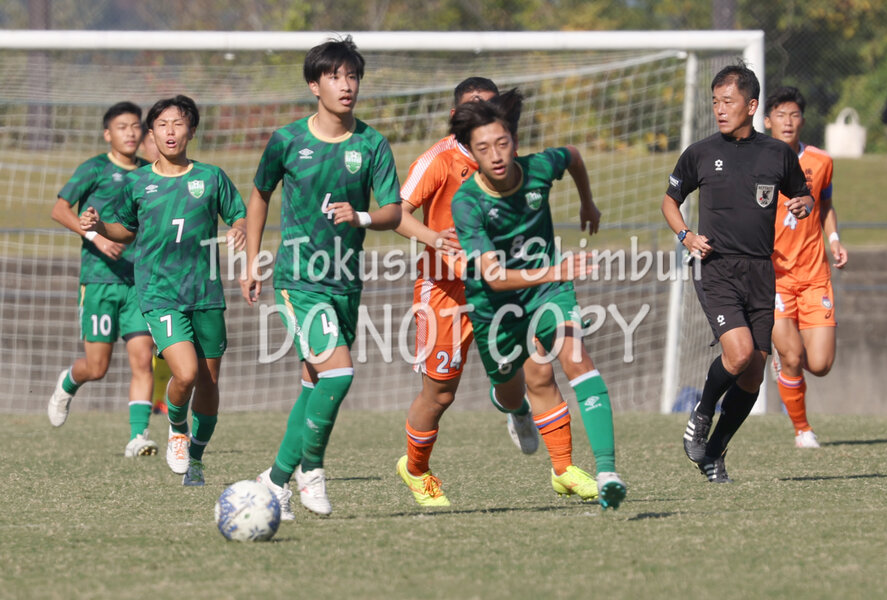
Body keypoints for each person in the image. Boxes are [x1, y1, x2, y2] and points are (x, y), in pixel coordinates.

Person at [242, 36, 402, 519]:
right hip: (299, 281)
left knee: (315, 384)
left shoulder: (371, 144)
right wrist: (252, 260)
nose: (346, 85)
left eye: (352, 76)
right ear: (315, 85)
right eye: (334, 77)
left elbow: (394, 210)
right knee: (338, 372)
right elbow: (260, 194)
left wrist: (362, 217)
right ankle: (302, 473)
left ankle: (273, 482)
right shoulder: (288, 140)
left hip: (346, 283)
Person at [448, 89, 627, 509]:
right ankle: (513, 408)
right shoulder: (467, 202)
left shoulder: (539, 169)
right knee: (514, 392)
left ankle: (606, 472)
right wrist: (556, 270)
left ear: (514, 139)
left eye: (502, 143)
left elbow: (573, 156)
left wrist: (588, 202)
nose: (495, 155)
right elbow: (493, 278)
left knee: (576, 359)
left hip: (548, 292)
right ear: (471, 153)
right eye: (483, 148)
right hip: (495, 307)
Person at [80, 95, 247, 487]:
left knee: (208, 383)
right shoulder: (138, 182)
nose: (170, 131)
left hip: (205, 294)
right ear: (151, 134)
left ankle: (197, 459)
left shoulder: (211, 177)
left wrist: (239, 228)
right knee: (185, 373)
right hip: (159, 294)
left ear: (192, 130)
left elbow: (238, 214)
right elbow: (125, 229)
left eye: (178, 123)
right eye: (162, 124)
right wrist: (100, 227)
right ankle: (176, 429)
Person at [392, 77, 542, 508]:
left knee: (519, 378)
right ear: (456, 116)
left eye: (490, 107)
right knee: (440, 394)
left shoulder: (508, 159)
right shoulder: (439, 160)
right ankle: (416, 470)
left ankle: (515, 409)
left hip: (497, 286)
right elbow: (397, 213)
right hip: (443, 292)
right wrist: (434, 239)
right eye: (473, 108)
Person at [662, 63, 814, 483]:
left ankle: (714, 453)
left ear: (751, 105)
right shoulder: (700, 153)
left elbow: (803, 195)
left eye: (727, 101)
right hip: (717, 268)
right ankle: (702, 412)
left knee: (752, 376)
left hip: (761, 272)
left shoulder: (777, 154)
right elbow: (670, 201)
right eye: (715, 102)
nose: (719, 109)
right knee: (740, 352)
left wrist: (803, 205)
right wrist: (686, 236)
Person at [47, 101, 158, 458]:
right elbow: (60, 209)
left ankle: (138, 437)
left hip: (137, 282)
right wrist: (96, 237)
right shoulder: (94, 168)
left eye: (135, 126)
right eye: (122, 127)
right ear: (108, 134)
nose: (130, 133)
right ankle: (68, 382)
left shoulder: (148, 173)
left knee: (143, 357)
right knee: (97, 367)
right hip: (99, 281)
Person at [765, 86, 849, 448]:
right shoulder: (755, 162)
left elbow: (825, 205)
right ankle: (802, 430)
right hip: (775, 278)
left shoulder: (821, 161)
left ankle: (786, 366)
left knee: (820, 364)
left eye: (794, 114)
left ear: (802, 120)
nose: (788, 121)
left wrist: (835, 240)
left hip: (815, 276)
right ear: (766, 120)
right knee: (793, 355)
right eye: (780, 115)